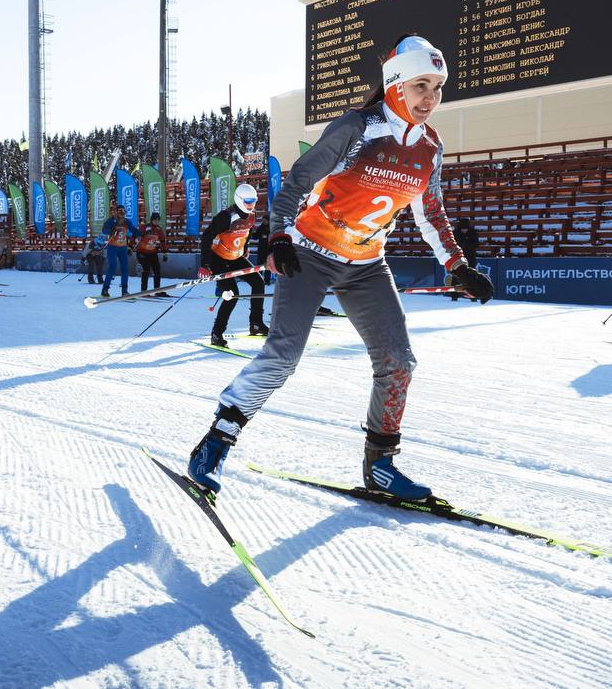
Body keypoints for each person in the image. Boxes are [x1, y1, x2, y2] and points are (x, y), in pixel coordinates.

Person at [186, 33, 494, 502]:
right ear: (395, 84)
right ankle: (215, 442)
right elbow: (298, 180)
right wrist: (278, 236)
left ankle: (381, 466)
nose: (430, 98)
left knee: (398, 362)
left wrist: (458, 265)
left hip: (367, 265)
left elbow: (431, 212)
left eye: (436, 87)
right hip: (310, 254)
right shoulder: (357, 127)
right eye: (420, 86)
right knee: (283, 357)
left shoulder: (431, 147)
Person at [201, 184, 268, 346]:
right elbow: (206, 237)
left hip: (236, 258)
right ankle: (216, 334)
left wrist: (244, 249)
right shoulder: (226, 216)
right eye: (248, 201)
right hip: (219, 260)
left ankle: (256, 323)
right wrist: (205, 264)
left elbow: (249, 231)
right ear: (239, 200)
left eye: (254, 201)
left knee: (258, 282)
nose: (252, 204)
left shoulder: (252, 215)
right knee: (232, 295)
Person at [100, 205, 139, 298]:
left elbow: (134, 230)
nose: (122, 214)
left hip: (123, 248)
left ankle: (124, 291)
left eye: (124, 212)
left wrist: (140, 235)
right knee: (112, 267)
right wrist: (112, 230)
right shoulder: (111, 220)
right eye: (120, 212)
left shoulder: (126, 221)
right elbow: (104, 230)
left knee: (125, 269)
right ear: (116, 212)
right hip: (112, 247)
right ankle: (105, 289)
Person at [136, 212, 169, 294]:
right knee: (146, 270)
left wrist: (165, 253)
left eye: (158, 220)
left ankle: (157, 290)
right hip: (142, 252)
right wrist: (130, 246)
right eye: (156, 220)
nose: (157, 221)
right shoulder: (145, 227)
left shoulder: (159, 229)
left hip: (152, 252)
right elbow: (135, 236)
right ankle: (144, 291)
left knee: (157, 271)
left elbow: (162, 241)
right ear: (152, 220)